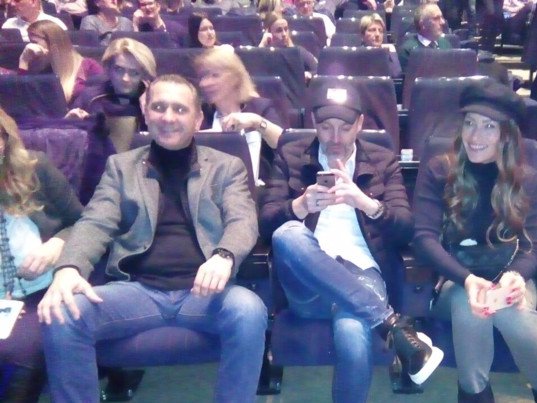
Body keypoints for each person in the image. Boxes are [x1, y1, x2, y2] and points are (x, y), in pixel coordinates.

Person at [37, 74, 267, 403]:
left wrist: (224, 255)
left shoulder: (226, 167)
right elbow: (95, 221)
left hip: (204, 294)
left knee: (249, 310)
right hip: (137, 291)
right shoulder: (121, 167)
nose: (168, 117)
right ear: (146, 113)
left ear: (198, 119)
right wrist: (69, 268)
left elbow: (242, 220)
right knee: (63, 312)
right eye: (159, 107)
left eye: (180, 109)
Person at [259, 80, 444, 402]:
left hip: (362, 272)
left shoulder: (382, 160)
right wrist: (300, 206)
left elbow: (405, 230)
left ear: (359, 124)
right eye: (325, 127)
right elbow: (265, 226)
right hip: (307, 282)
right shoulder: (291, 155)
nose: (335, 138)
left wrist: (366, 203)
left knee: (353, 331)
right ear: (313, 122)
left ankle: (382, 322)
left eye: (344, 128)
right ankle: (391, 324)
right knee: (288, 234)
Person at [413, 80, 537, 402]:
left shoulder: (527, 180)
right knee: (471, 304)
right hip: (454, 281)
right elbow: (424, 238)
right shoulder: (440, 170)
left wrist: (517, 275)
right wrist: (467, 279)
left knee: (512, 312)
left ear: (507, 135)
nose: (474, 136)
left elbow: (532, 243)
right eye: (469, 123)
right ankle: (475, 392)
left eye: (488, 126)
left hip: (510, 277)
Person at [0, 107, 83, 402]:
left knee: (23, 352)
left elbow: (85, 222)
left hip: (42, 292)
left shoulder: (35, 169)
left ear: (5, 140)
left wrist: (57, 244)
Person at [195, 47, 286, 184]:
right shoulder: (201, 114)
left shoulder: (260, 108)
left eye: (214, 75)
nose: (205, 83)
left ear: (235, 78)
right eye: (203, 76)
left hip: (259, 191)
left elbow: (284, 144)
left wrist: (257, 122)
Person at [67, 37, 156, 123]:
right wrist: (69, 122)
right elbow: (67, 129)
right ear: (108, 69)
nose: (125, 79)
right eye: (119, 70)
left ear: (143, 75)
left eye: (134, 73)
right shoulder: (90, 98)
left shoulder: (154, 100)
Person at [18, 20, 104, 107]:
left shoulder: (89, 66)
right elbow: (22, 100)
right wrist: (23, 61)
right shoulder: (34, 66)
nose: (29, 47)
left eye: (34, 42)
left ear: (52, 43)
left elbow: (102, 98)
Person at [259, 12, 318, 81]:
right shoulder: (264, 54)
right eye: (279, 30)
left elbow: (318, 70)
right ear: (268, 32)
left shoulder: (298, 52)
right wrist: (262, 44)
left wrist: (309, 74)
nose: (284, 34)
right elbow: (253, 72)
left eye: (286, 29)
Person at [397, 3, 451, 71]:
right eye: (436, 18)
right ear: (422, 24)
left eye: (442, 17)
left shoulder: (445, 44)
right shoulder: (408, 50)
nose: (442, 22)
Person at [360, 13, 402, 77]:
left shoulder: (388, 54)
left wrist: (392, 52)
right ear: (362, 35)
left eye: (380, 31)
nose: (377, 34)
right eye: (372, 30)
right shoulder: (357, 56)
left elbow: (397, 75)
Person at [1, 0, 67, 41]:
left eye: (17, 1)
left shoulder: (55, 24)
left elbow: (65, 52)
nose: (12, 4)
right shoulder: (8, 25)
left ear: (33, 1)